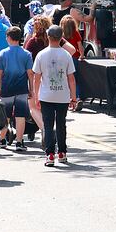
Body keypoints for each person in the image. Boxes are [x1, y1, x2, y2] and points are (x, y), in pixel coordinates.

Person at [32, 25, 77, 167]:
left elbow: (36, 78)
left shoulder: (41, 55)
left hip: (46, 95)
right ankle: (62, 152)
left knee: (48, 125)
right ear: (61, 37)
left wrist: (36, 96)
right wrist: (74, 97)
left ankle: (50, 154)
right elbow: (71, 78)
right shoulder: (66, 55)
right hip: (62, 95)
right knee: (61, 124)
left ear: (48, 37)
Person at [0, 27, 33, 151]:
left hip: (7, 88)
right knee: (20, 116)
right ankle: (20, 142)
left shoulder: (3, 53)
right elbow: (30, 74)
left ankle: (1, 138)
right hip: (22, 88)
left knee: (5, 116)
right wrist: (31, 89)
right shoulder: (27, 54)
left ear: (9, 38)